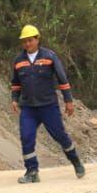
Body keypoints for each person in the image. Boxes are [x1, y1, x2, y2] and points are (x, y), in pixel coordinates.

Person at [11, 25, 85, 183]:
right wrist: (14, 99)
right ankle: (32, 171)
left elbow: (62, 79)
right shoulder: (18, 61)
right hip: (29, 108)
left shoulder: (49, 56)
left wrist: (68, 100)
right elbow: (16, 83)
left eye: (30, 40)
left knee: (60, 136)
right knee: (26, 137)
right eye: (24, 41)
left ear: (37, 39)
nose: (27, 44)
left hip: (48, 106)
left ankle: (76, 162)